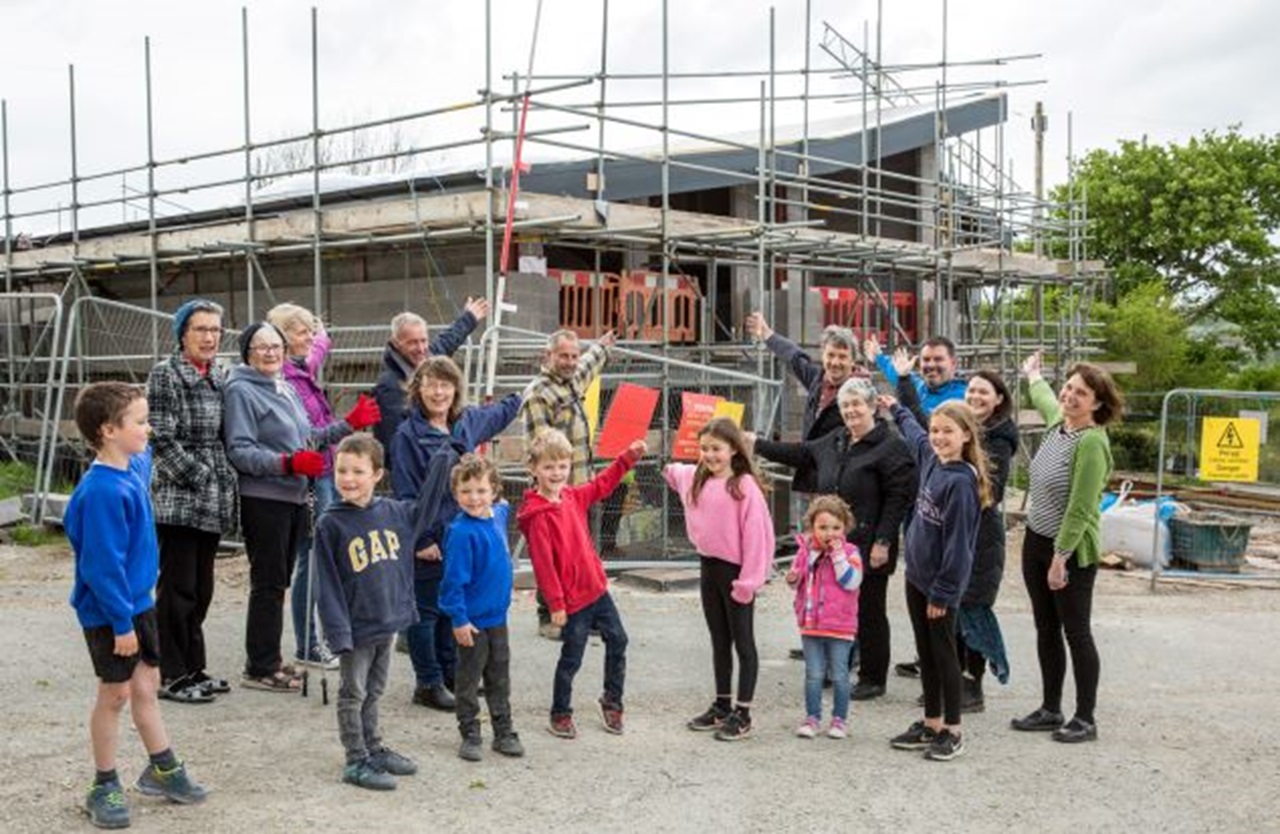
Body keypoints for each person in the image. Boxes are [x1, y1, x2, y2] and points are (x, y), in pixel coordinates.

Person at [65, 382, 208, 829]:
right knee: (116, 694)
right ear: (109, 430)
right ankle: (103, 784)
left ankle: (162, 769)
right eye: (141, 422)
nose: (150, 429)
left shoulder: (130, 466)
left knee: (147, 686)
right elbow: (101, 568)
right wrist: (122, 624)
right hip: (113, 612)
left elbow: (145, 454)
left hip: (138, 604)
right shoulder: (103, 492)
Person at [223, 322, 380, 692]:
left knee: (281, 581)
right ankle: (259, 666)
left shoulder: (284, 387)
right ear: (247, 352)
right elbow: (240, 450)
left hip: (292, 496)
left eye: (276, 345)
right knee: (269, 582)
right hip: (265, 498)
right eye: (261, 346)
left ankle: (270, 659)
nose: (271, 352)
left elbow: (308, 438)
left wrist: (348, 425)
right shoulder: (242, 391)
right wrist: (286, 463)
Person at [749, 378, 917, 701]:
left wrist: (884, 541)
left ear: (872, 407)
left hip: (869, 543)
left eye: (857, 404)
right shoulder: (837, 439)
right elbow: (799, 454)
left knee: (869, 610)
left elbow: (899, 497)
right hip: (830, 543)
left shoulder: (890, 446)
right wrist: (756, 443)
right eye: (845, 406)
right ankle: (833, 668)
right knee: (834, 606)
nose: (852, 411)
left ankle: (872, 676)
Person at [390, 355, 523, 711]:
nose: (438, 391)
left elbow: (499, 414)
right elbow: (405, 491)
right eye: (431, 384)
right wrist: (420, 540)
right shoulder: (408, 435)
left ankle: (452, 675)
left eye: (445, 384)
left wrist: (524, 394)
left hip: (457, 536)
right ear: (418, 389)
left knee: (450, 609)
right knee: (426, 613)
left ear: (455, 389)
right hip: (430, 535)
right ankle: (428, 682)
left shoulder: (462, 425)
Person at [894, 351, 1019, 711]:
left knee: (971, 614)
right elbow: (921, 431)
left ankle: (969, 689)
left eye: (984, 392)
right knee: (949, 628)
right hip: (944, 551)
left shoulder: (991, 447)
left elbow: (985, 498)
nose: (976, 397)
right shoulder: (941, 451)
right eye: (972, 391)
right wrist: (901, 391)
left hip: (978, 543)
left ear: (998, 401)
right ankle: (943, 705)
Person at [1011, 352, 1122, 744]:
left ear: (1097, 403)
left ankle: (1085, 718)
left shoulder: (1091, 443)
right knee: (1046, 628)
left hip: (1069, 550)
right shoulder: (1060, 425)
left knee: (1076, 632)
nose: (1070, 396)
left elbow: (1080, 507)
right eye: (1070, 387)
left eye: (1081, 393)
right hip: (1036, 539)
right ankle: (1050, 707)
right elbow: (1044, 399)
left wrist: (1060, 559)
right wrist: (1034, 376)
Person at [312, 434, 425, 791]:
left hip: (386, 621)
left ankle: (373, 746)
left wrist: (445, 458)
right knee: (353, 692)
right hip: (355, 627)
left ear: (377, 474)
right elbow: (326, 586)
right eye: (342, 470)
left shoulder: (392, 512)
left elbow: (431, 507)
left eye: (358, 471)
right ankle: (355, 759)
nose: (347, 478)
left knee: (375, 690)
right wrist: (338, 634)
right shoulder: (330, 524)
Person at [517, 428, 644, 740]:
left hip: (597, 589)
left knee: (619, 640)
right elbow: (544, 567)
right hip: (573, 601)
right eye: (548, 467)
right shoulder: (537, 516)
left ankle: (612, 701)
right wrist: (556, 604)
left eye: (562, 466)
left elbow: (602, 484)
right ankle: (560, 713)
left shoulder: (573, 496)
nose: (557, 473)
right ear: (534, 469)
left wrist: (627, 458)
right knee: (572, 657)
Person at [884, 398, 990, 762]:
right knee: (925, 653)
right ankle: (931, 722)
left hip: (939, 588)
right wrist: (897, 407)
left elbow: (959, 549)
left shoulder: (961, 484)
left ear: (965, 435)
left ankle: (953, 730)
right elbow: (914, 435)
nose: (939, 437)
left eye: (948, 431)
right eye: (936, 430)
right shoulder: (932, 460)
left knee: (944, 655)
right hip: (917, 577)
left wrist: (943, 593)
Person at [147, 298, 237, 704]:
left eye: (215, 330)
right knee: (177, 587)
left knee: (201, 588)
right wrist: (199, 476)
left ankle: (193, 665)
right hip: (179, 496)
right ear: (183, 334)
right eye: (201, 329)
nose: (209, 337)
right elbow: (161, 438)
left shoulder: (219, 375)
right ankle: (170, 671)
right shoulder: (165, 375)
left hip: (213, 493)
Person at [664, 417, 775, 742]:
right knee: (718, 640)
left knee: (744, 642)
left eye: (717, 449)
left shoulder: (744, 487)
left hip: (736, 573)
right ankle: (722, 703)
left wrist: (750, 581)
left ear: (733, 450)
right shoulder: (696, 478)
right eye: (704, 449)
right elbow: (673, 472)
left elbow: (758, 538)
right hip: (709, 567)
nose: (710, 455)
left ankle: (743, 712)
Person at [520, 328, 617, 637]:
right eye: (563, 356)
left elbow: (588, 364)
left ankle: (578, 612)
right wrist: (552, 486)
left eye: (573, 355)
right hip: (553, 492)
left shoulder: (572, 380)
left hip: (576, 489)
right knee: (550, 556)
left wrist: (601, 347)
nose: (570, 361)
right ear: (548, 356)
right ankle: (547, 615)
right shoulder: (539, 394)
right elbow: (541, 446)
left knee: (575, 554)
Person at [267, 302, 342, 671]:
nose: (309, 338)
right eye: (301, 332)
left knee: (324, 558)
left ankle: (326, 636)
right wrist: (346, 426)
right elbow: (307, 435)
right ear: (281, 338)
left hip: (328, 471)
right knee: (310, 560)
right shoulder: (284, 379)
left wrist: (319, 330)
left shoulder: (304, 366)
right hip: (310, 477)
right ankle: (307, 644)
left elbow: (320, 346)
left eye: (310, 331)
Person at [439, 454, 524, 762]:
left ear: (494, 491)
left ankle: (503, 730)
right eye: (466, 491)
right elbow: (452, 583)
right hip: (471, 622)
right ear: (456, 494)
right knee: (469, 679)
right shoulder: (461, 533)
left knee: (499, 676)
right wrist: (459, 619)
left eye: (480, 490)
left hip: (497, 618)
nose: (474, 498)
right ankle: (470, 733)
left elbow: (504, 506)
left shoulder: (498, 513)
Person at [372, 299, 490, 471]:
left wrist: (469, 318)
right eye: (412, 342)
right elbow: (395, 443)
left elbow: (446, 341)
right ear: (396, 343)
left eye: (423, 341)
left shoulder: (425, 360)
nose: (421, 348)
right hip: (416, 469)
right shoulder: (390, 386)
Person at [784, 494, 863, 740]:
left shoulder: (851, 552)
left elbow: (851, 582)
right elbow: (798, 580)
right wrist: (793, 578)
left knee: (840, 674)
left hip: (840, 626)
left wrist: (838, 555)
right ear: (812, 527)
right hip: (811, 624)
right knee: (813, 674)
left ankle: (839, 719)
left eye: (836, 528)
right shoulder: (806, 551)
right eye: (823, 527)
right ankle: (812, 717)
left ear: (845, 527)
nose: (830, 533)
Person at [865, 333, 967, 416]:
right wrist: (878, 356)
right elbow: (895, 371)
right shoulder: (916, 385)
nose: (931, 365)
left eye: (938, 359)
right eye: (926, 360)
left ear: (953, 363)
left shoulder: (966, 395)